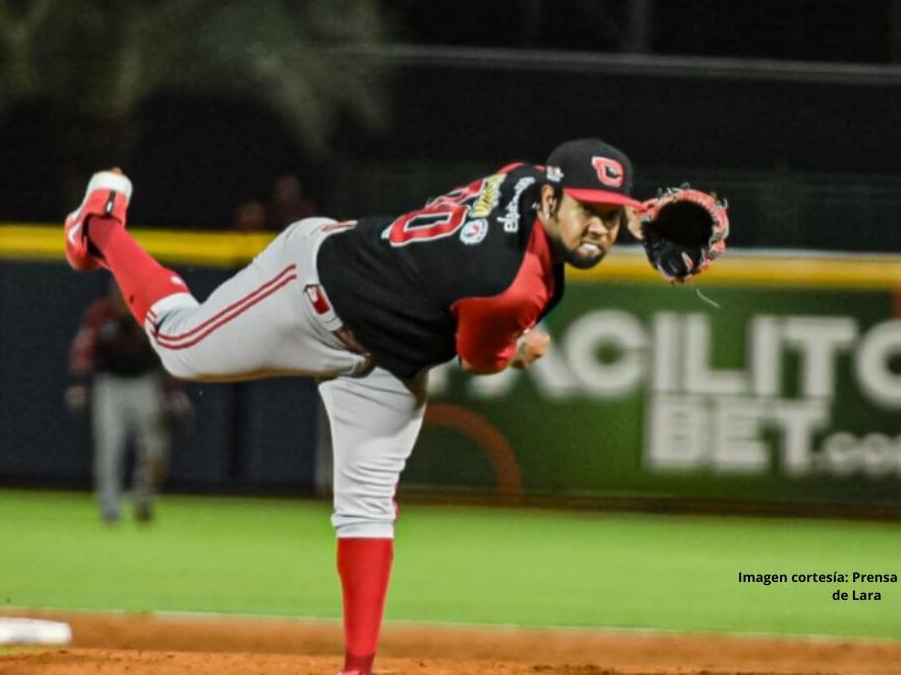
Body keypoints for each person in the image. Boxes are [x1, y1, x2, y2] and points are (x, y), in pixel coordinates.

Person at [62, 138, 722, 674]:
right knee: (179, 346)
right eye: (587, 211)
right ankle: (102, 225)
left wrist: (632, 214)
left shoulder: (528, 178)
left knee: (368, 506)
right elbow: (480, 358)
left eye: (611, 217)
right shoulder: (506, 284)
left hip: (387, 358)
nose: (601, 230)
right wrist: (519, 348)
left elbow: (546, 195)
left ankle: (359, 670)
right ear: (550, 199)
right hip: (312, 290)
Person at [66, 283, 191, 524]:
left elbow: (168, 352)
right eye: (118, 294)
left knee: (156, 448)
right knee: (109, 447)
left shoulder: (150, 315)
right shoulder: (100, 314)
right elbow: (83, 349)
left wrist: (174, 392)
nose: (122, 300)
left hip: (146, 383)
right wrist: (78, 383)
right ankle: (110, 508)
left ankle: (143, 498)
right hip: (110, 385)